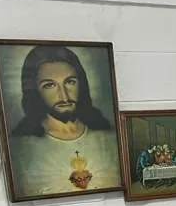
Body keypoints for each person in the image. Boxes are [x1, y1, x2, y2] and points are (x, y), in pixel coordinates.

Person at [7, 45, 122, 197]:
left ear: (82, 84)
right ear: (34, 91)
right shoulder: (19, 147)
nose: (64, 96)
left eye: (70, 82)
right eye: (50, 85)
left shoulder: (109, 136)